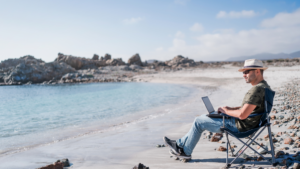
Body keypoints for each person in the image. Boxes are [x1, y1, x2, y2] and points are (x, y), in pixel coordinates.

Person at [164, 59, 271, 159]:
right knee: (203, 118)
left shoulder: (256, 90)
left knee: (198, 121)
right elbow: (253, 107)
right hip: (249, 124)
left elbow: (242, 115)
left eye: (246, 71)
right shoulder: (265, 87)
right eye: (243, 72)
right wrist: (231, 108)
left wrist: (225, 111)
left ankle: (185, 152)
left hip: (240, 127)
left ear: (257, 71)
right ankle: (179, 144)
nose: (243, 75)